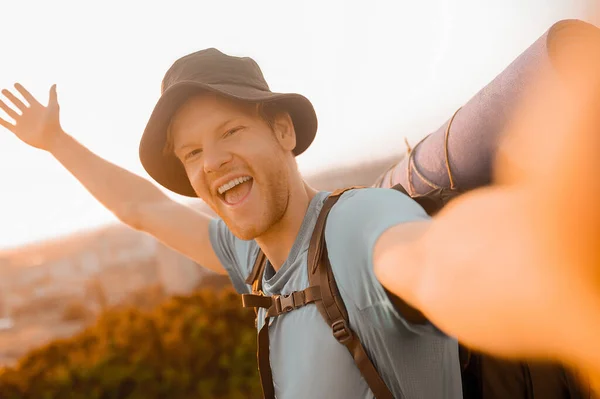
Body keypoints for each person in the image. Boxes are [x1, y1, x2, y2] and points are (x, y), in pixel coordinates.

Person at [0, 49, 463, 399]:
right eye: (193, 153)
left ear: (284, 130)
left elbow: (453, 269)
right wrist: (55, 142)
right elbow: (142, 208)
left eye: (230, 131)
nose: (214, 162)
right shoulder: (255, 257)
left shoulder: (356, 224)